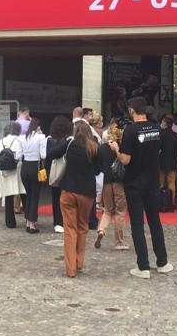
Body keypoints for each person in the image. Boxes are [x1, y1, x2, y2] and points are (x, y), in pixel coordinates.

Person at [112, 97, 172, 279]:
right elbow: (159, 151)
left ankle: (143, 266)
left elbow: (125, 160)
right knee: (155, 222)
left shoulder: (130, 131)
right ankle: (162, 262)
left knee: (137, 224)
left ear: (131, 110)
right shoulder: (156, 128)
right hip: (152, 181)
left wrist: (115, 149)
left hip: (134, 183)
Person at [48, 122, 101, 277]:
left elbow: (51, 153)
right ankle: (79, 262)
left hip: (69, 190)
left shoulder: (70, 144)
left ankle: (70, 268)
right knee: (82, 226)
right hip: (87, 192)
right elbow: (98, 169)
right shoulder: (94, 147)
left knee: (70, 229)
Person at [95, 120, 129, 251]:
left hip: (106, 182)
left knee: (108, 210)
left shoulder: (102, 148)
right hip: (119, 182)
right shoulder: (122, 147)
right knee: (120, 211)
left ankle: (101, 230)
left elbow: (98, 166)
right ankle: (119, 242)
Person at [16, 117, 48, 233]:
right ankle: (32, 223)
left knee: (28, 194)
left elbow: (18, 156)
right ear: (38, 127)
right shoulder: (41, 137)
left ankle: (28, 222)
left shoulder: (21, 138)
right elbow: (43, 155)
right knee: (35, 195)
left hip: (25, 167)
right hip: (35, 166)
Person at [45, 117, 71, 233]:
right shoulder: (67, 141)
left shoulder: (48, 140)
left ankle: (57, 222)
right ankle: (64, 221)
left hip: (54, 171)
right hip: (65, 171)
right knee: (66, 198)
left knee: (55, 197)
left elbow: (47, 156)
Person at [0, 122, 25, 229]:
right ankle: (29, 218)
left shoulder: (1, 141)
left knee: (8, 195)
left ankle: (10, 222)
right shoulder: (19, 140)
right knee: (23, 192)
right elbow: (21, 154)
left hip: (4, 170)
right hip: (17, 168)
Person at [158, 115, 177, 208]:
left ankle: (160, 203)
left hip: (161, 162)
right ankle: (171, 203)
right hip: (173, 163)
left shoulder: (160, 134)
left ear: (165, 124)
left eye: (162, 122)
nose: (160, 124)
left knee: (160, 183)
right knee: (171, 183)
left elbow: (156, 149)